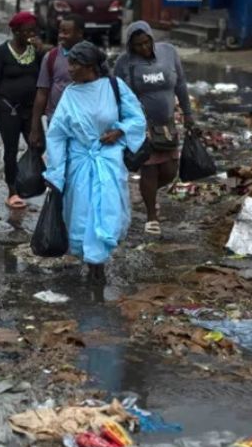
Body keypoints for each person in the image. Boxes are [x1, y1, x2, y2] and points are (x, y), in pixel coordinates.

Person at [43, 41, 146, 281]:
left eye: (74, 64)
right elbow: (57, 135)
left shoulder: (114, 87)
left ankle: (98, 262)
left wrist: (119, 131)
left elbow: (137, 118)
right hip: (80, 165)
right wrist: (55, 173)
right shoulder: (70, 94)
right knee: (82, 214)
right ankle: (92, 266)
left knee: (107, 211)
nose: (69, 69)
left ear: (89, 66)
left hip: (108, 162)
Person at [112, 20, 194, 235]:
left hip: (167, 124)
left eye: (147, 42)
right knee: (149, 169)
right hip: (142, 125)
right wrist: (124, 125)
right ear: (131, 45)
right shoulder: (124, 62)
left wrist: (188, 114)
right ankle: (151, 216)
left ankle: (147, 194)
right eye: (138, 45)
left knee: (169, 170)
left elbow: (181, 85)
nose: (144, 48)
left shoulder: (169, 52)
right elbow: (118, 95)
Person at [0, 12, 45, 209]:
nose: (31, 34)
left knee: (38, 145)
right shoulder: (1, 53)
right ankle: (12, 191)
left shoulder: (36, 52)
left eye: (33, 31)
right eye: (26, 31)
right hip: (6, 109)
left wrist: (41, 50)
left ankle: (27, 178)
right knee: (10, 150)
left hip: (30, 110)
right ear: (15, 31)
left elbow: (45, 77)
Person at [29, 14, 86, 149]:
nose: (61, 36)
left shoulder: (93, 58)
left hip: (85, 122)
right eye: (60, 31)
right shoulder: (51, 57)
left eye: (66, 32)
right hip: (56, 121)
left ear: (79, 33)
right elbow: (42, 92)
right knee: (57, 162)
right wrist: (35, 127)